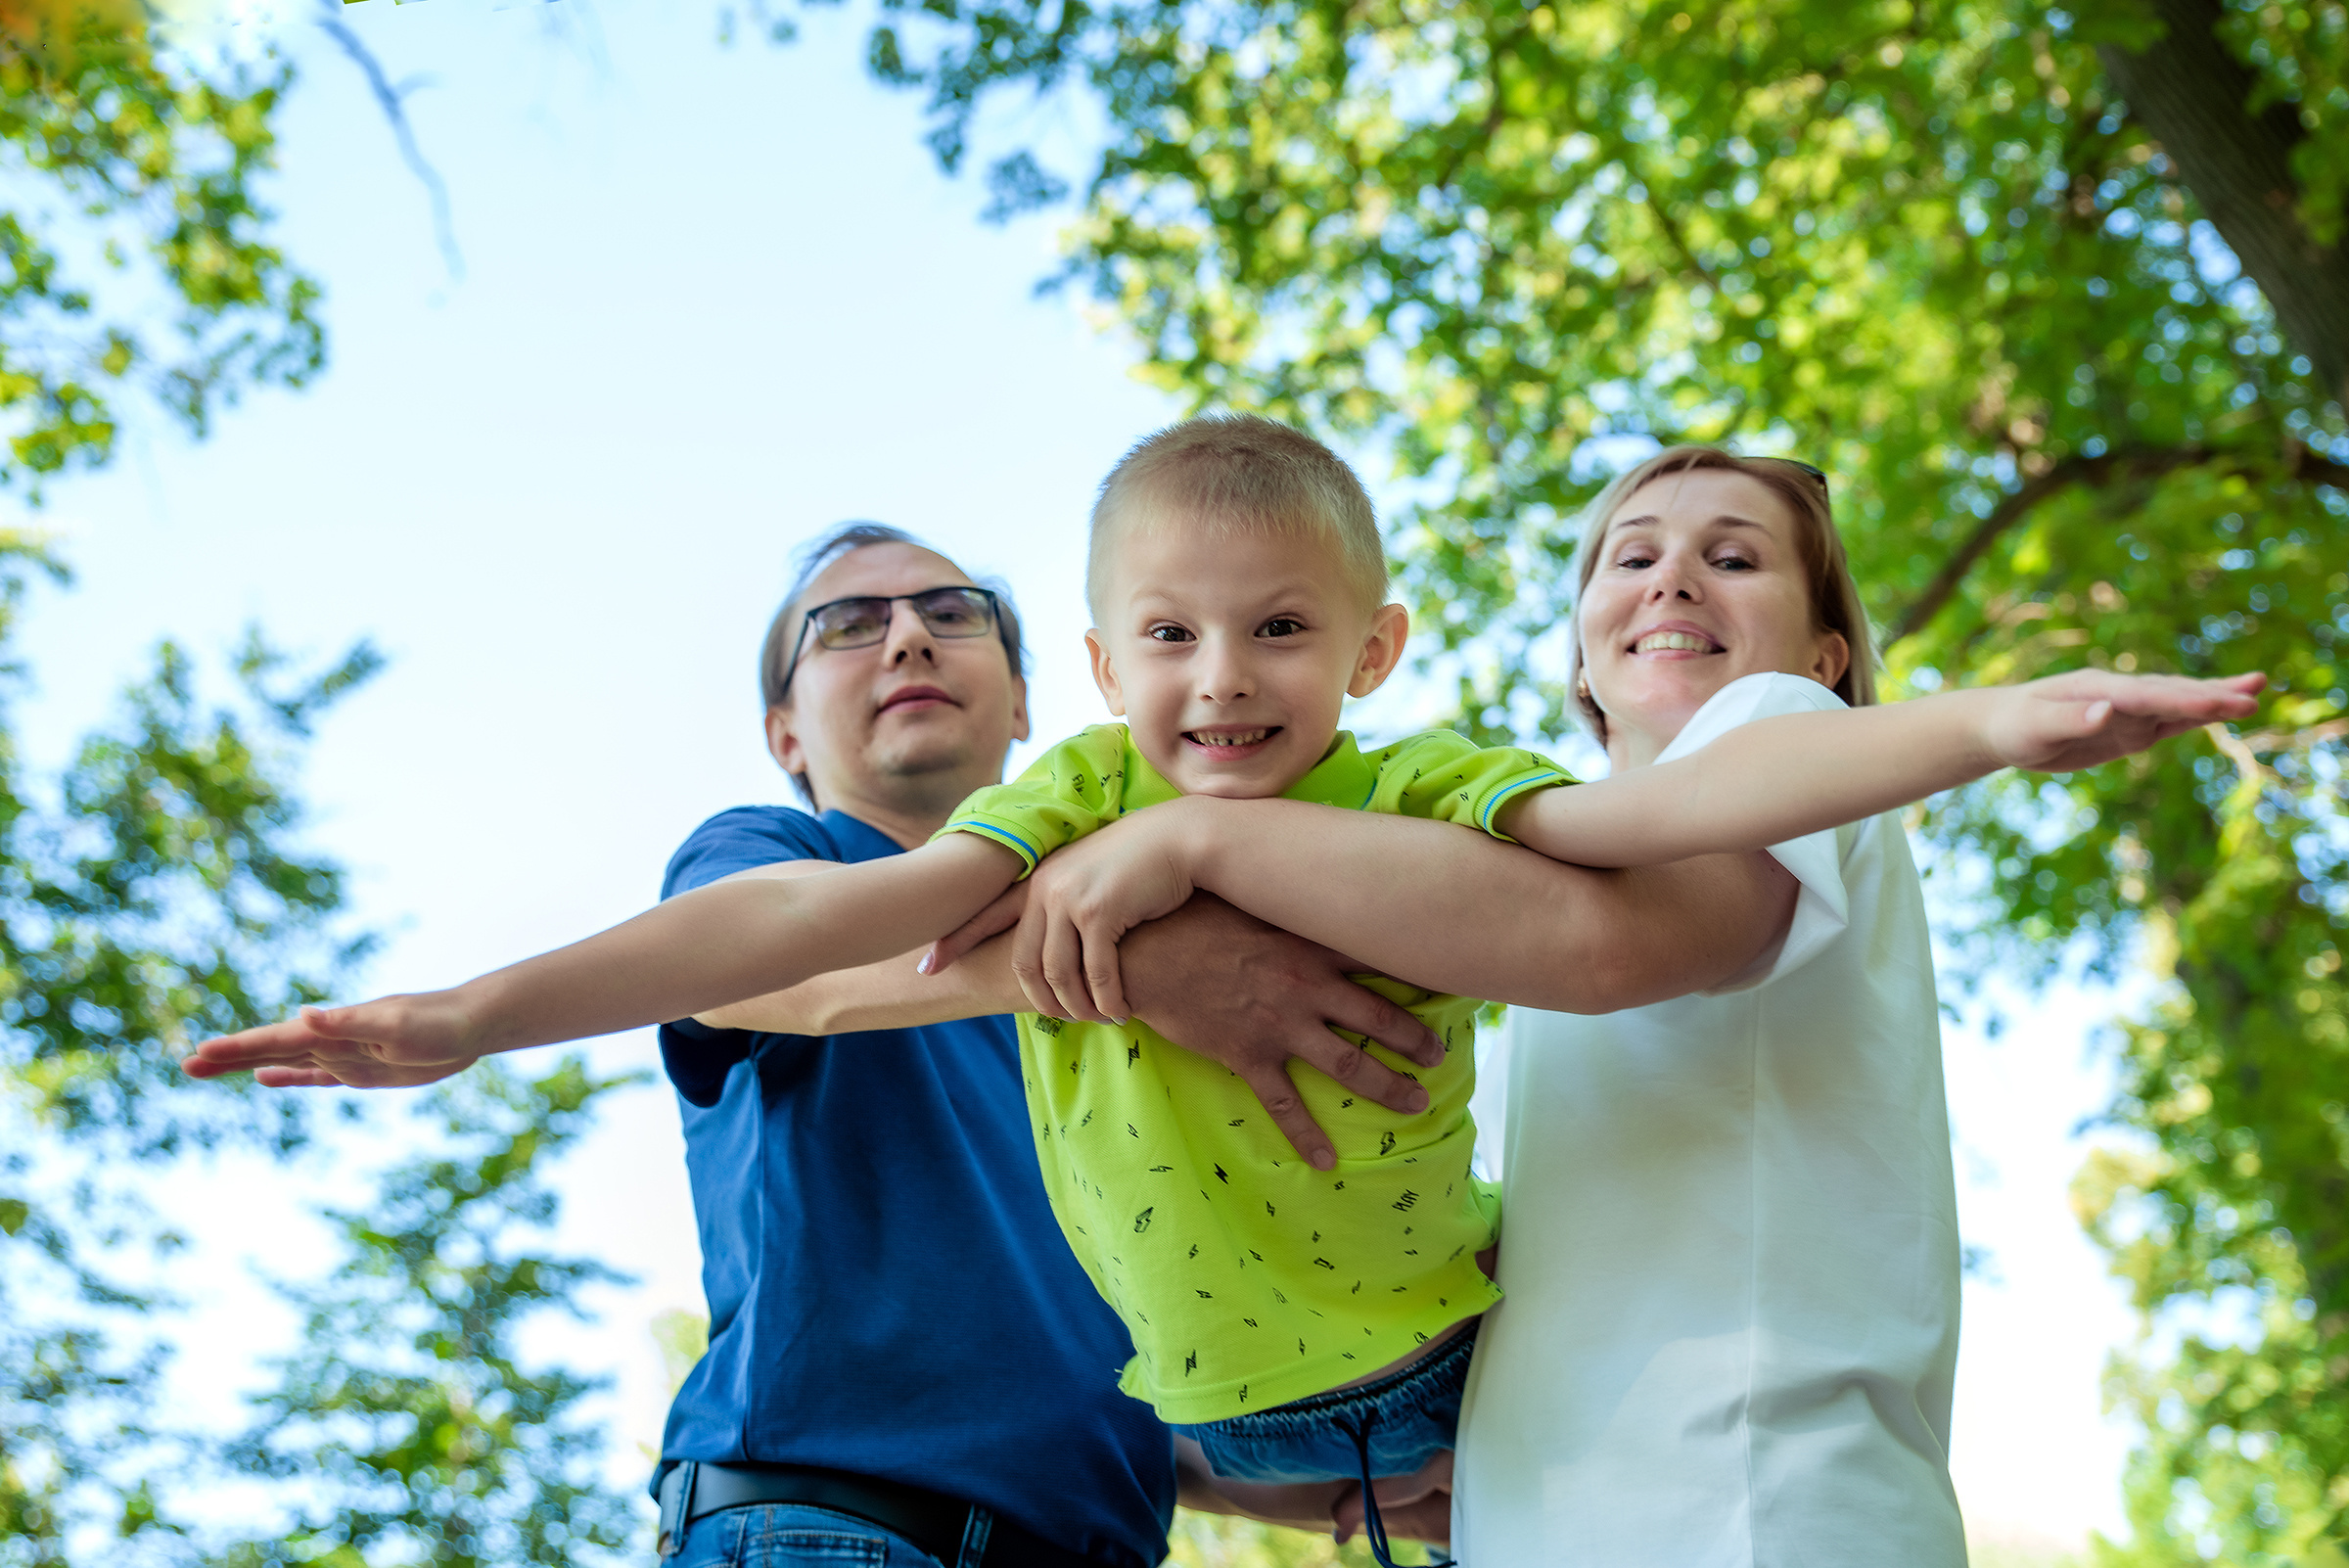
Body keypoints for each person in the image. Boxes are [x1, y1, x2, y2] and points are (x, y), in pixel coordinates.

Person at [189, 420, 2257, 1555]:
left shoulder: (1582, 790)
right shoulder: (1034, 828)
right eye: (1631, 549)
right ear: (1104, 671)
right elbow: (803, 950)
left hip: (1527, 1457)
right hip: (1257, 1468)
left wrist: (1999, 719)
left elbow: (1639, 866)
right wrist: (467, 1017)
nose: (1218, 683)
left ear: (1371, 651)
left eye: (1277, 630)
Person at [957, 442, 2260, 1562]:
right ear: (1584, 646)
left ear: (1827, 650)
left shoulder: (1772, 719)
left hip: (1747, 1496)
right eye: (1628, 556)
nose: (1672, 579)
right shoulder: (1534, 883)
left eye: (1734, 557)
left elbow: (1615, 944)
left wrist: (1190, 845)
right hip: (1568, 1510)